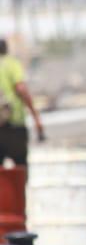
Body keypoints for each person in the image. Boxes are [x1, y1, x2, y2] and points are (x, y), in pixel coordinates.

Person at [0, 39, 44, 167]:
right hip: (15, 125)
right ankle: (18, 187)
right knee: (20, 168)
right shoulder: (11, 64)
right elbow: (21, 88)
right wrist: (36, 117)